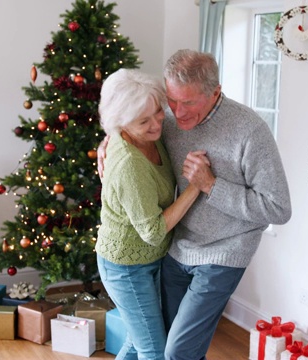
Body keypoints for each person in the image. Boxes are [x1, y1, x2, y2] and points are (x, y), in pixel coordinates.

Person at [99, 49, 292, 360]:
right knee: (156, 344)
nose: (177, 112)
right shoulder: (167, 120)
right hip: (177, 248)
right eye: (171, 101)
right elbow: (131, 128)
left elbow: (278, 209)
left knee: (178, 351)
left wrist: (212, 186)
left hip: (224, 253)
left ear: (215, 92)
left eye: (187, 103)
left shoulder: (249, 131)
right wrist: (107, 141)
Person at [95, 68, 202, 360]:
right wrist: (196, 187)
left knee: (140, 340)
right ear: (122, 123)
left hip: (149, 259)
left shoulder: (145, 133)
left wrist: (104, 143)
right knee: (153, 350)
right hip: (126, 267)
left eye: (157, 112)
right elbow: (153, 231)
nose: (157, 124)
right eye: (144, 121)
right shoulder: (130, 165)